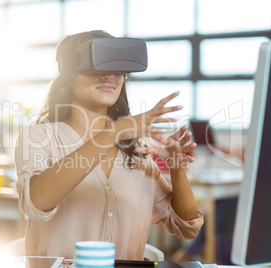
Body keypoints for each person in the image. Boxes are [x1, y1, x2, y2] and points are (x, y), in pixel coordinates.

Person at [14, 30, 204, 260]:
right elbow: (36, 202)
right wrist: (116, 130)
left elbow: (186, 227)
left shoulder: (137, 150)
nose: (110, 76)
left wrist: (176, 170)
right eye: (97, 67)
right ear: (69, 74)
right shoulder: (38, 137)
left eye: (117, 68)